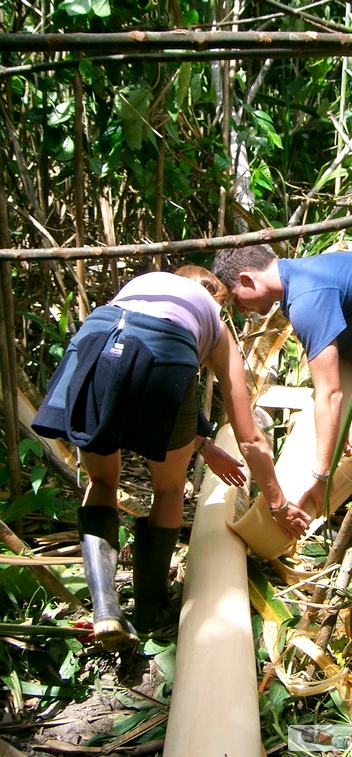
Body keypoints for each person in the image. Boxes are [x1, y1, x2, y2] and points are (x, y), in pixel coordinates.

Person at [32, 265, 309, 651]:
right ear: (216, 299)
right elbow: (247, 435)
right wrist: (277, 504)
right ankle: (151, 609)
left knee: (101, 480)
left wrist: (204, 445)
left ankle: (105, 608)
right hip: (163, 352)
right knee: (168, 489)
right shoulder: (213, 321)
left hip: (96, 338)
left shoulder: (143, 288)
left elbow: (133, 353)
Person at [212, 246, 352, 537]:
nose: (240, 310)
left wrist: (321, 475)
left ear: (248, 279)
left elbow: (330, 393)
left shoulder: (307, 298)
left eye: (236, 299)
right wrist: (346, 420)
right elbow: (338, 365)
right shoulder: (302, 279)